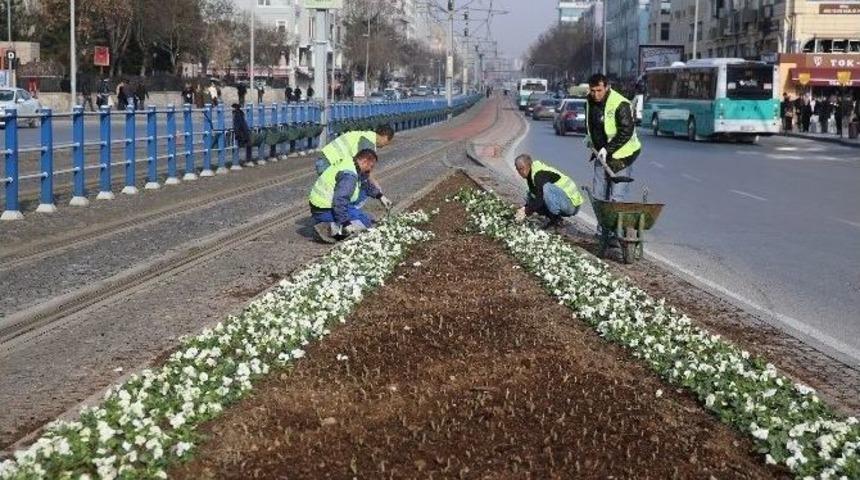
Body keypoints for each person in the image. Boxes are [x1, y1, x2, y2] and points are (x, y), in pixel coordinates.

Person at [309, 149, 392, 244]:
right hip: (325, 209)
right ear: (365, 161)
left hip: (322, 205)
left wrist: (380, 196)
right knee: (363, 223)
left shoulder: (351, 162)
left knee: (365, 217)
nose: (370, 170)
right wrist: (346, 223)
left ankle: (333, 225)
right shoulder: (349, 176)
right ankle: (330, 230)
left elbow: (364, 183)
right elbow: (340, 200)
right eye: (371, 166)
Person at [585, 73, 641, 201]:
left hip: (622, 155)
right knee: (598, 195)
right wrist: (590, 139)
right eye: (593, 91)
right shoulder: (589, 102)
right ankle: (601, 221)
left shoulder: (620, 104)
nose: (596, 94)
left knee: (617, 197)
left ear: (607, 87)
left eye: (599, 90)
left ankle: (616, 220)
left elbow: (626, 131)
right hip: (601, 154)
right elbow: (591, 125)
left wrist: (607, 149)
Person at [512, 154, 584, 229]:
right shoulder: (530, 176)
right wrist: (525, 208)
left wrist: (527, 210)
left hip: (572, 205)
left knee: (546, 189)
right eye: (519, 169)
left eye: (522, 168)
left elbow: (540, 199)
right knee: (529, 196)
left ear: (529, 165)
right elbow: (536, 197)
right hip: (563, 201)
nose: (521, 172)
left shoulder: (539, 174)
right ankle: (556, 219)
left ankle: (555, 220)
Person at [314, 124, 395, 176]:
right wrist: (379, 194)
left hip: (324, 159)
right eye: (387, 142)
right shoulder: (368, 142)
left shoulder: (366, 135)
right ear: (385, 137)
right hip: (328, 163)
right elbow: (365, 171)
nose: (385, 145)